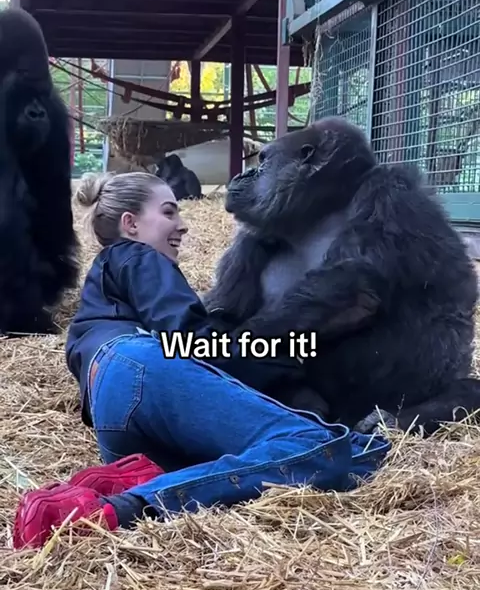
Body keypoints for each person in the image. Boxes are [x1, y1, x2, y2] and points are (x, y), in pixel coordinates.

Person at [13, 172, 390, 549]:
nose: (183, 225)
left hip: (113, 419)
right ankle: (114, 510)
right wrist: (292, 356)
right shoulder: (138, 255)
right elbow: (193, 341)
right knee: (332, 449)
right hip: (139, 369)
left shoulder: (100, 285)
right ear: (130, 224)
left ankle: (131, 483)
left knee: (256, 460)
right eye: (168, 212)